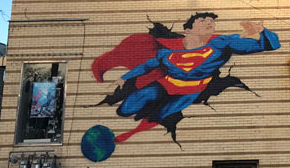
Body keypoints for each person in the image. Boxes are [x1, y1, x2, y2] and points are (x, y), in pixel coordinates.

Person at [95, 13, 280, 143]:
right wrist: (124, 77)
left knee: (160, 115)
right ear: (188, 30)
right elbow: (148, 65)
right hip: (166, 84)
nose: (209, 23)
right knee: (126, 109)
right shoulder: (167, 51)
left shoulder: (222, 43)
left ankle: (131, 132)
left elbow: (268, 45)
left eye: (211, 21)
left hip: (191, 90)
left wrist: (262, 30)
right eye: (203, 20)